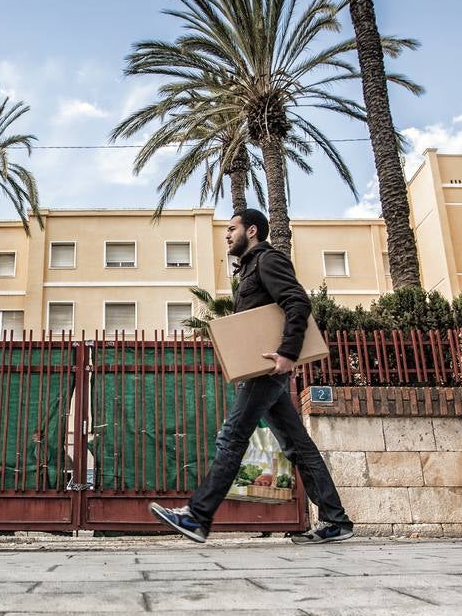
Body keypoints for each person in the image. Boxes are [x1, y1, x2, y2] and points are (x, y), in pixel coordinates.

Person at [149, 208, 355, 545]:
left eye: (232, 229)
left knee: (231, 437)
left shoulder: (267, 261)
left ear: (253, 231)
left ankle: (198, 517)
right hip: (262, 369)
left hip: (268, 368)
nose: (227, 235)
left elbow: (297, 302)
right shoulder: (248, 268)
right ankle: (336, 520)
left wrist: (288, 352)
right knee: (297, 445)